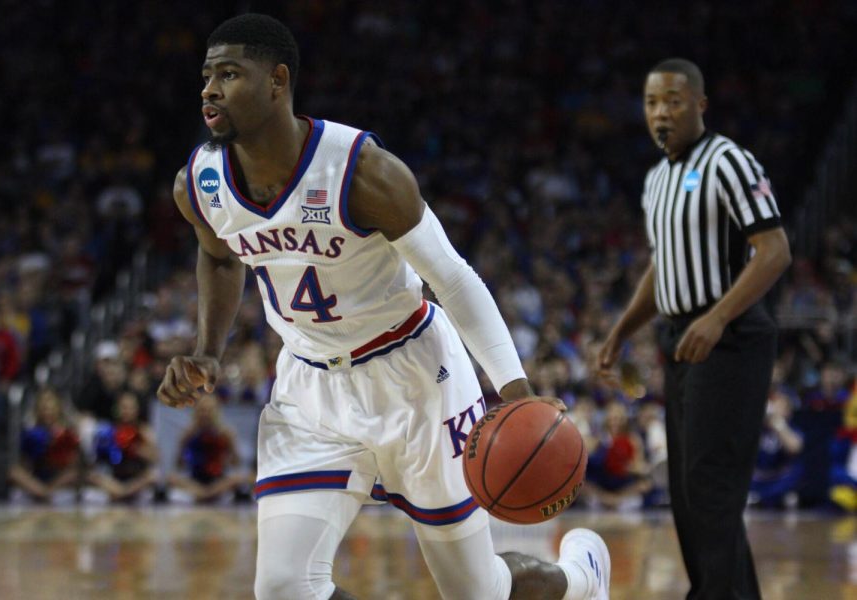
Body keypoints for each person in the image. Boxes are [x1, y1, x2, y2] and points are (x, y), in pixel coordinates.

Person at [157, 13, 609, 600]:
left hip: (416, 379)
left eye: (229, 74)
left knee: (478, 593)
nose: (209, 90)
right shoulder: (200, 182)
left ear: (278, 81)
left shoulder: (363, 171)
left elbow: (452, 276)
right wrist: (208, 352)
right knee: (284, 587)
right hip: (309, 386)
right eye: (207, 76)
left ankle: (580, 581)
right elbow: (219, 259)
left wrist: (514, 388)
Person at [598, 58, 792, 599]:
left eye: (674, 101)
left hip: (730, 336)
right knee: (688, 489)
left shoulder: (730, 161)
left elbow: (774, 251)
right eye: (652, 102)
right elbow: (664, 267)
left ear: (700, 105)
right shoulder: (657, 180)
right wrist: (620, 330)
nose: (661, 112)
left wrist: (718, 316)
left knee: (710, 484)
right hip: (681, 336)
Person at [166, 394, 252, 503]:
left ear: (216, 412)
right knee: (171, 478)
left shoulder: (226, 433)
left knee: (238, 478)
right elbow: (179, 465)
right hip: (195, 480)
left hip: (218, 481)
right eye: (202, 410)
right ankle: (205, 494)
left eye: (209, 410)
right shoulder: (188, 433)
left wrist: (231, 446)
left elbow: (236, 463)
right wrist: (182, 443)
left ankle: (206, 494)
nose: (206, 414)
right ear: (196, 412)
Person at [9, 387, 81, 502]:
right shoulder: (30, 433)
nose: (47, 411)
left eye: (51, 408)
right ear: (37, 410)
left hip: (60, 478)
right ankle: (44, 492)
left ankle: (46, 492)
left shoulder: (68, 432)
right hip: (38, 478)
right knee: (14, 472)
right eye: (44, 408)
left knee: (74, 474)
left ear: (58, 408)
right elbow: (25, 463)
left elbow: (74, 464)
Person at [89, 392, 159, 502]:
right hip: (114, 480)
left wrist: (136, 449)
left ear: (137, 410)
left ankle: (123, 493)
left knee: (154, 475)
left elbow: (156, 458)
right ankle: (121, 492)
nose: (127, 411)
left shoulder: (144, 431)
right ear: (117, 409)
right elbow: (97, 462)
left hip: (137, 481)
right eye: (124, 407)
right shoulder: (107, 431)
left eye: (131, 408)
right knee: (93, 476)